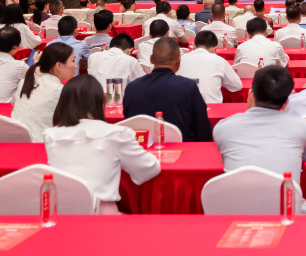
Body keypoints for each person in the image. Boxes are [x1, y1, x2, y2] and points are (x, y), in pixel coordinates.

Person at [43, 75, 160, 214]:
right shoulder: (117, 134)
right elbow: (148, 169)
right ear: (101, 102)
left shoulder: (50, 135)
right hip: (102, 216)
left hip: (61, 215)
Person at [213, 65, 306, 213]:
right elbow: (305, 157)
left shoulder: (223, 127)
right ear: (286, 102)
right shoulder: (302, 127)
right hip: (288, 213)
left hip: (236, 213)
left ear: (250, 94)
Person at [123, 38, 212, 142]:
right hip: (183, 150)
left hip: (141, 149)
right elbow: (204, 132)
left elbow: (128, 126)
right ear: (178, 61)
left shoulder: (132, 88)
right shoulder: (188, 87)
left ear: (151, 59)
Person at [11, 43, 76, 142]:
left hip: (14, 141)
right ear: (59, 65)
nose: (76, 65)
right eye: (73, 61)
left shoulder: (25, 82)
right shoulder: (59, 90)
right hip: (41, 144)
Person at [177, 31, 242, 105]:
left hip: (183, 107)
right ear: (215, 49)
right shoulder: (219, 60)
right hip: (211, 108)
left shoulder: (181, 59)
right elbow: (237, 86)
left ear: (194, 46)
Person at [0, 26, 29, 102]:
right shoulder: (20, 66)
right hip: (6, 107)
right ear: (14, 47)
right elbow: (35, 83)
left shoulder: (19, 65)